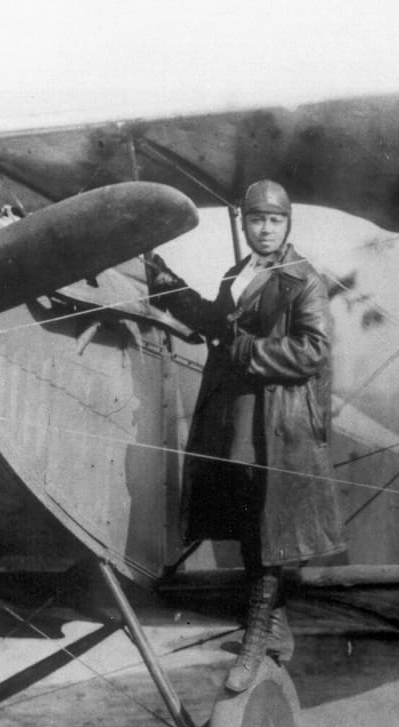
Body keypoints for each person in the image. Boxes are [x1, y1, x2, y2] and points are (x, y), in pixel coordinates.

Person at [148, 180, 346, 692]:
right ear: (244, 223)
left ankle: (257, 639)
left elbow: (313, 350)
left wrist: (247, 352)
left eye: (274, 220)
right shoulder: (239, 273)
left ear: (287, 224)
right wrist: (166, 283)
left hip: (276, 423)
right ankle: (274, 631)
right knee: (245, 517)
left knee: (267, 529)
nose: (264, 228)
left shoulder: (303, 281)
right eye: (256, 219)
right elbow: (217, 323)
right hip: (237, 416)